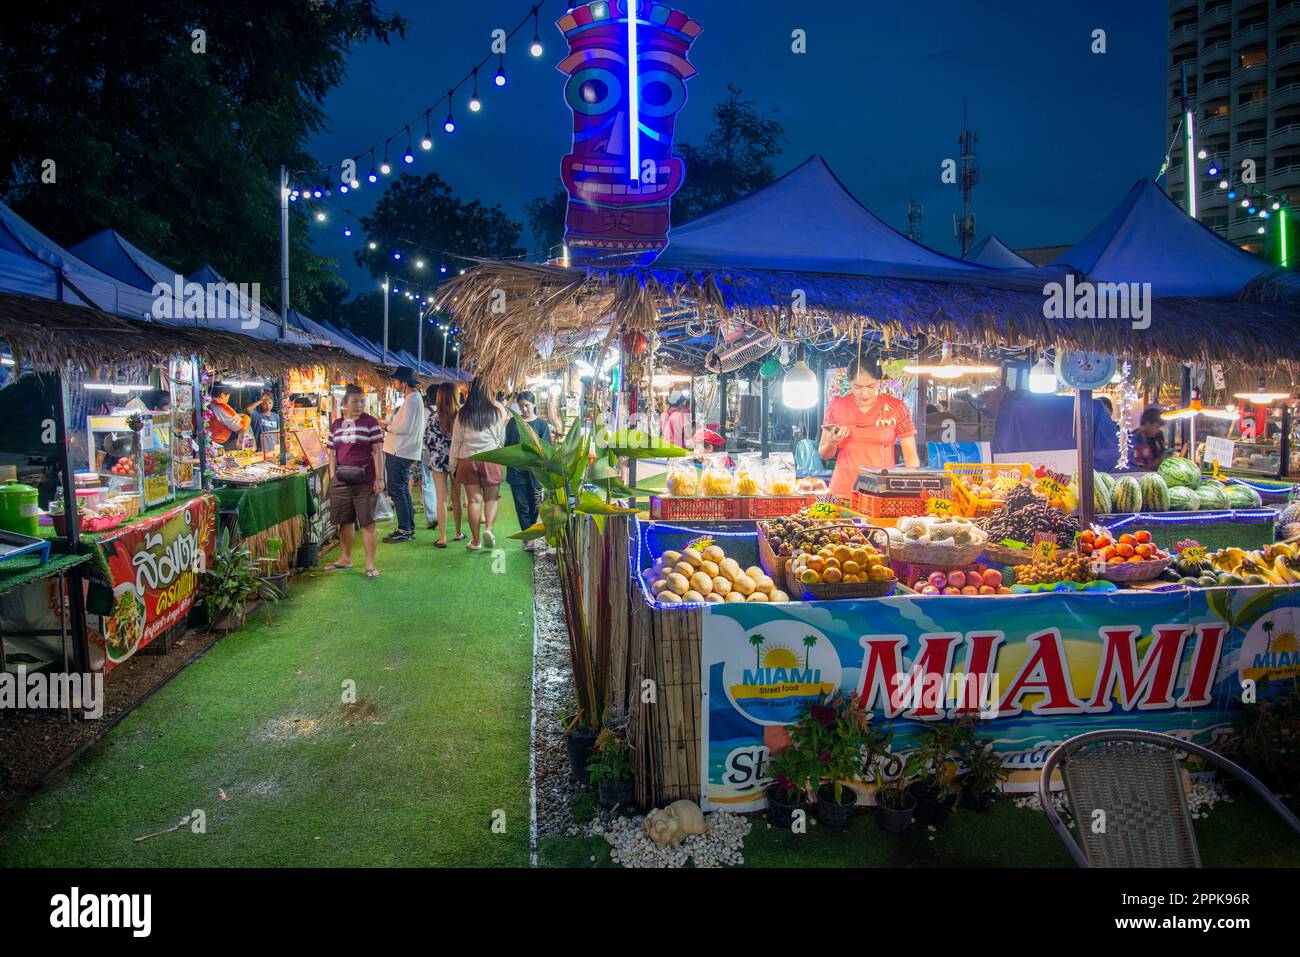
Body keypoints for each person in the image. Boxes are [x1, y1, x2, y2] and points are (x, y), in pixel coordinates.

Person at [818, 354, 920, 498]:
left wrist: (910, 491)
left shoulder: (897, 407)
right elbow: (824, 454)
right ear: (849, 382)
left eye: (871, 386)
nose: (864, 393)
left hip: (881, 492)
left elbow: (911, 457)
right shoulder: (836, 406)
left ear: (880, 382)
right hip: (842, 492)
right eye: (857, 387)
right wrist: (832, 442)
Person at [325, 384, 385, 579]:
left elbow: (377, 451)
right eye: (355, 401)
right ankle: (345, 558)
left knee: (367, 522)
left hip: (365, 480)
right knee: (344, 520)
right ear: (344, 403)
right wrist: (333, 476)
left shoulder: (371, 422)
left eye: (362, 401)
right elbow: (332, 453)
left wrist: (379, 477)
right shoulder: (336, 424)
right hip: (341, 480)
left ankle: (369, 564)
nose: (359, 405)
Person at [450, 378, 507, 551]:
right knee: (491, 498)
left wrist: (452, 465)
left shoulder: (462, 413)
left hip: (468, 460)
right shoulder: (496, 412)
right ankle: (488, 529)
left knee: (474, 502)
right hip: (490, 458)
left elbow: (456, 442)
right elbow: (501, 439)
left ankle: (475, 541)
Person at [380, 366, 426, 543]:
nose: (394, 383)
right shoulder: (414, 399)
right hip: (404, 450)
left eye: (396, 380)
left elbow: (403, 427)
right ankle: (408, 527)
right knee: (401, 490)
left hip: (399, 451)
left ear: (404, 383)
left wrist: (386, 426)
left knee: (397, 491)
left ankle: (404, 529)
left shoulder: (412, 400)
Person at [504, 390, 552, 548]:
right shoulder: (513, 423)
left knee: (535, 506)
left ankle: (531, 530)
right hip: (516, 473)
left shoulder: (542, 425)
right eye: (521, 406)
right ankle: (528, 538)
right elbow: (508, 446)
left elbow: (547, 449)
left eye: (527, 406)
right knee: (521, 506)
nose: (524, 409)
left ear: (534, 404)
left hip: (536, 474)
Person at [423, 382, 465, 547]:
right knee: (456, 497)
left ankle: (442, 538)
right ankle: (458, 532)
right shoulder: (461, 416)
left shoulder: (433, 417)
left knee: (441, 498)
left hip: (437, 459)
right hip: (457, 459)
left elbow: (427, 440)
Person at [209, 384, 249, 450]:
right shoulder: (220, 406)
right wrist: (247, 417)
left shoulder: (206, 405)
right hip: (219, 445)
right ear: (222, 395)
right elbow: (241, 427)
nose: (228, 398)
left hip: (207, 443)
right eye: (228, 396)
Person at [1131, 407, 1167, 471]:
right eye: (1157, 427)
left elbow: (1161, 454)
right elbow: (1134, 467)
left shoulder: (1157, 437)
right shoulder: (1134, 439)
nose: (1158, 431)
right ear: (1147, 423)